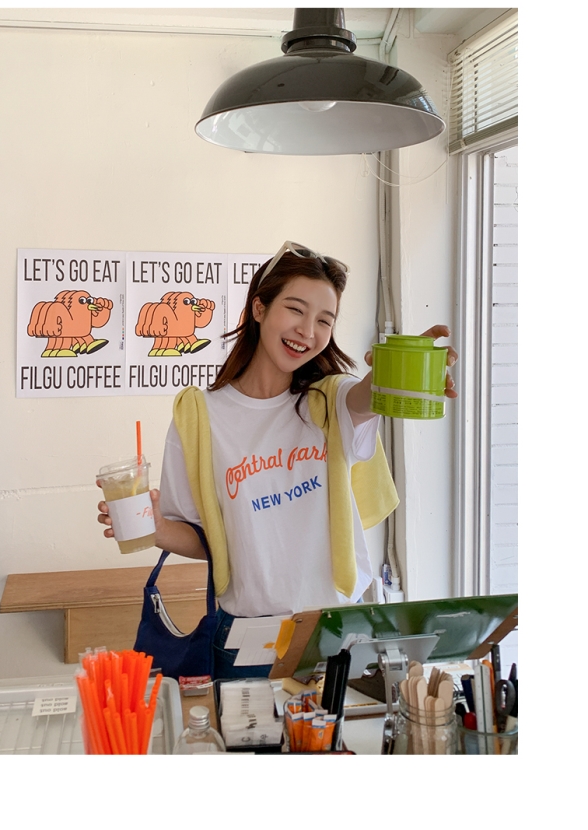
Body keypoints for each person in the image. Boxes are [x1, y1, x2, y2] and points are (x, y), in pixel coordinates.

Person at [97, 241, 458, 678]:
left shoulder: (330, 401)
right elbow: (206, 540)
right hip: (248, 637)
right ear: (259, 308)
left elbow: (368, 394)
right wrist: (154, 526)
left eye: (324, 320)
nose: (308, 331)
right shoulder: (199, 416)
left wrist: (401, 368)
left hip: (337, 631)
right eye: (295, 310)